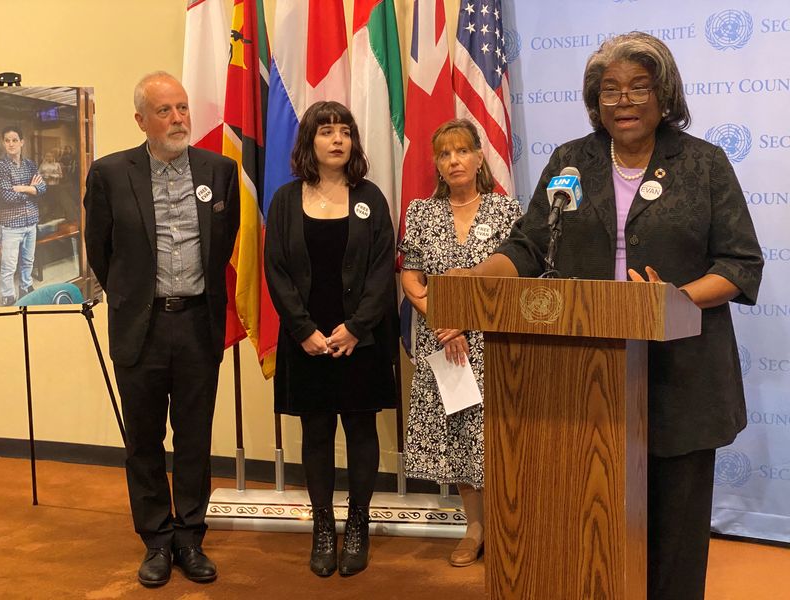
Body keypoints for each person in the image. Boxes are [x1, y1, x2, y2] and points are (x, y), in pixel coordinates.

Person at [459, 33, 763, 600]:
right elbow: (528, 249)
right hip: (582, 382)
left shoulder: (702, 163)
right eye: (609, 90)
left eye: (637, 87)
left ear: (664, 95)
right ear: (595, 102)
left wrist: (675, 299)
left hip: (682, 375)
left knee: (673, 538)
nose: (623, 100)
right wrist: (477, 279)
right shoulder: (571, 161)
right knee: (591, 527)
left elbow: (741, 264)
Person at [83, 71, 240, 588]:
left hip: (197, 322)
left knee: (194, 438)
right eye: (165, 110)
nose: (178, 119)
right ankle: (155, 540)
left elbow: (226, 241)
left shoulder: (218, 171)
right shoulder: (109, 173)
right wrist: (133, 299)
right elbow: (101, 253)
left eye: (182, 108)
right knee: (144, 441)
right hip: (141, 327)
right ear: (140, 120)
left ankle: (190, 538)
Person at [265, 100, 397, 578]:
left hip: (360, 338)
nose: (337, 139)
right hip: (307, 342)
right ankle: (323, 528)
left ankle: (357, 524)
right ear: (309, 142)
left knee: (362, 432)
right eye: (326, 132)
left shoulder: (371, 198)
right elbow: (276, 270)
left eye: (344, 131)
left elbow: (384, 269)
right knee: (316, 433)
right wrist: (304, 331)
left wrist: (355, 327)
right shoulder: (284, 200)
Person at [398, 119, 521, 567]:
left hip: (492, 344)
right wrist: (444, 317)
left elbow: (516, 277)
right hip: (443, 346)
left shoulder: (507, 212)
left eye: (462, 151)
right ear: (436, 163)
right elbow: (411, 274)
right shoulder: (421, 212)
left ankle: (506, 527)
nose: (454, 161)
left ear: (478, 156)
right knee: (458, 438)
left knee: (494, 437)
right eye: (445, 154)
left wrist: (469, 320)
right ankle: (473, 528)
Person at [0, 126, 46, 305]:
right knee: (8, 266)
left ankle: (26, 290)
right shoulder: (1, 167)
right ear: (3, 143)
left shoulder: (30, 164)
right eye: (7, 140)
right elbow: (7, 196)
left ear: (22, 142)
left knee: (27, 261)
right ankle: (8, 298)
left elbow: (42, 188)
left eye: (15, 140)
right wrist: (31, 190)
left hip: (31, 222)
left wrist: (22, 188)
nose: (11, 144)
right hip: (11, 225)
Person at [37, 152, 63, 222]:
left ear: (53, 157)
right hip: (45, 185)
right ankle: (47, 216)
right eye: (47, 156)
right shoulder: (42, 165)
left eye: (50, 156)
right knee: (46, 200)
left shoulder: (57, 165)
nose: (49, 158)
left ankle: (54, 214)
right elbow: (38, 174)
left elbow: (60, 175)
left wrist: (53, 176)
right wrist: (43, 176)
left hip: (55, 185)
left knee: (55, 200)